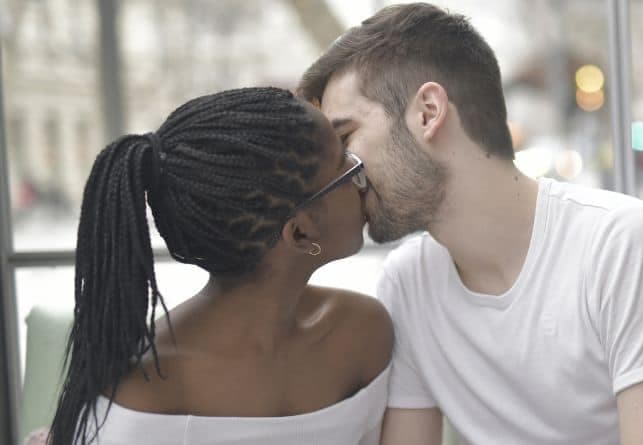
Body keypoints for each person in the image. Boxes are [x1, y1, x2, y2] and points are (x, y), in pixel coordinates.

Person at [298, 3, 643, 444]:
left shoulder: (621, 246)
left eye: (346, 139)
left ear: (428, 112)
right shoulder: (408, 284)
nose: (340, 172)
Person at [47, 87, 392, 445]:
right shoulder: (138, 400)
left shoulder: (365, 333)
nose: (360, 177)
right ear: (300, 232)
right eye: (343, 165)